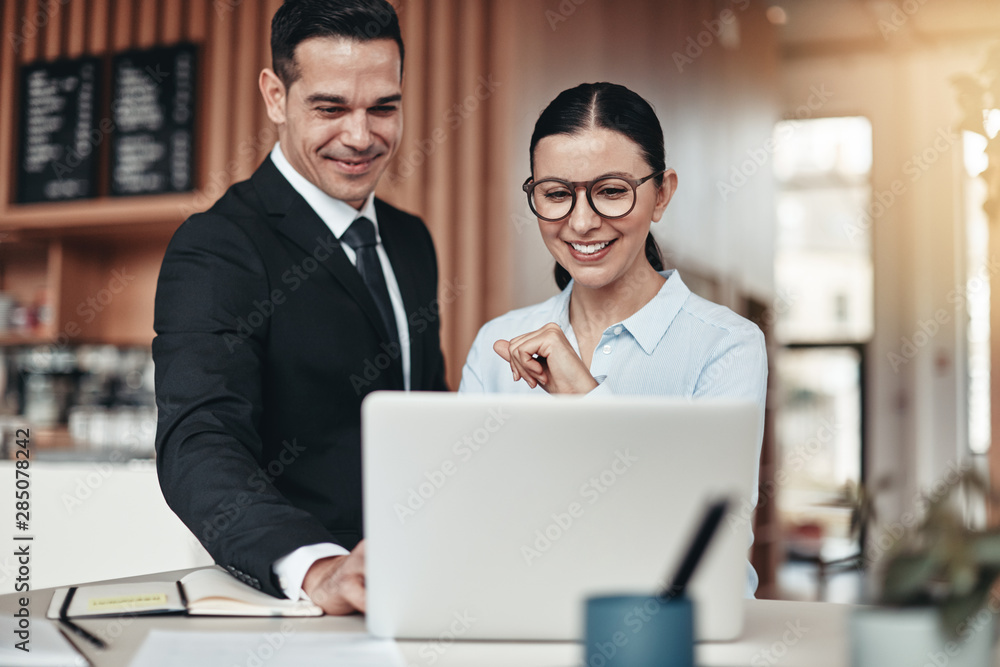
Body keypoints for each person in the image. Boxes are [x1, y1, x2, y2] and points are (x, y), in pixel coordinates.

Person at [153, 0, 447, 616]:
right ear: (275, 96)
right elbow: (200, 440)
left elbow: (422, 411)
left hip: (418, 588)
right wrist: (316, 566)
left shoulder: (412, 239)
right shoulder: (219, 246)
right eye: (331, 107)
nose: (362, 137)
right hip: (298, 607)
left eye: (384, 107)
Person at [459, 82, 767, 594]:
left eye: (611, 191)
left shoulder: (726, 346)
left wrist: (585, 399)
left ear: (662, 194)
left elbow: (709, 547)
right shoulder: (499, 343)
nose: (581, 222)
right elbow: (471, 529)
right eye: (556, 194)